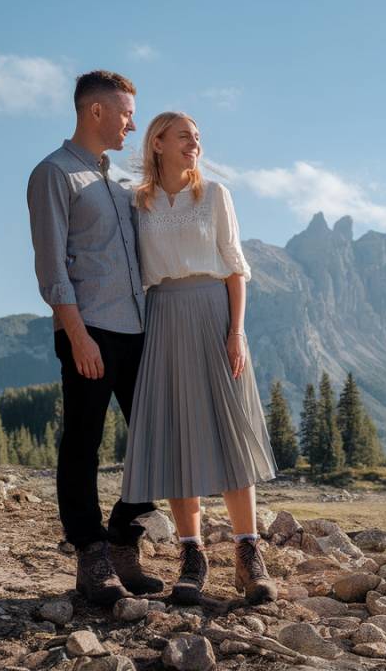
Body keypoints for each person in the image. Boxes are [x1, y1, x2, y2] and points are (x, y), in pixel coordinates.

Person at [121, 111, 278, 605]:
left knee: (230, 432)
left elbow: (235, 267)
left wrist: (236, 332)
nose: (195, 145)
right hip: (162, 315)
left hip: (214, 313)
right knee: (176, 437)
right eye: (186, 137)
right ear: (159, 142)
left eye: (198, 138)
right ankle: (192, 556)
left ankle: (248, 553)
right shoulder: (137, 202)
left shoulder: (214, 195)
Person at [26, 70, 163, 605]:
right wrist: (78, 336)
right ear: (97, 111)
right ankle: (91, 556)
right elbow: (51, 264)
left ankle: (124, 534)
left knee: (159, 438)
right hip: (89, 331)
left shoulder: (121, 183)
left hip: (138, 330)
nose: (133, 121)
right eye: (127, 112)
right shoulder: (54, 174)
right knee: (82, 444)